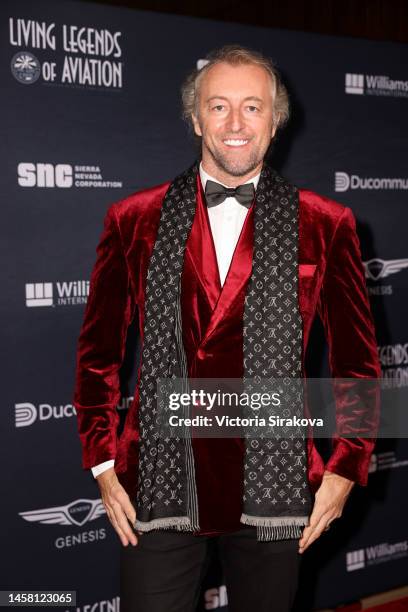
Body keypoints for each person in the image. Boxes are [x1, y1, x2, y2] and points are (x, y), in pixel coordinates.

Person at [73, 45, 380, 612]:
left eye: (252, 107)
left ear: (275, 119)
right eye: (218, 107)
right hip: (158, 479)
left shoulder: (327, 224)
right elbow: (97, 356)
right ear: (195, 119)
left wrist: (344, 469)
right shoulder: (132, 219)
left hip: (277, 483)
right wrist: (102, 460)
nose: (236, 124)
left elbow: (357, 364)